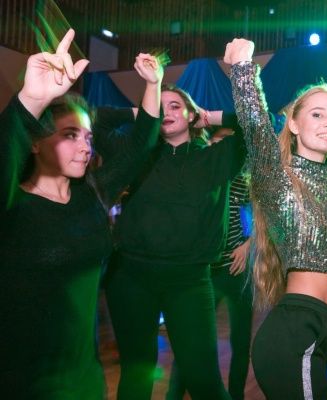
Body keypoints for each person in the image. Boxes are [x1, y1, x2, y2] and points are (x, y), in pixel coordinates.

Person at [0, 29, 162, 398]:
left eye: (88, 137)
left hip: (85, 377)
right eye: (70, 135)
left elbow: (140, 146)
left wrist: (154, 84)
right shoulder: (11, 204)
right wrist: (31, 100)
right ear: (35, 142)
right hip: (23, 382)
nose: (86, 147)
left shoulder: (91, 194)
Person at [224, 38, 327, 400]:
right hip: (294, 331)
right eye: (317, 114)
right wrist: (242, 69)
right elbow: (256, 128)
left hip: (325, 330)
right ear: (292, 124)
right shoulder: (278, 179)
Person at [103, 83, 245, 399]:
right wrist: (145, 115)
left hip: (189, 282)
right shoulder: (135, 157)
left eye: (175, 106)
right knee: (136, 377)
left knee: (204, 381)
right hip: (130, 278)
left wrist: (209, 117)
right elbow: (97, 121)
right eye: (159, 107)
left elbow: (261, 124)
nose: (166, 112)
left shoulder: (216, 158)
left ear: (191, 115)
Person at [166, 127, 254, 400]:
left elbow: (265, 219)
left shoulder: (243, 180)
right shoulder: (195, 177)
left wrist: (248, 245)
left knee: (241, 343)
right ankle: (173, 395)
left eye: (229, 144)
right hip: (203, 272)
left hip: (237, 271)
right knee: (190, 342)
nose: (223, 149)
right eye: (218, 143)